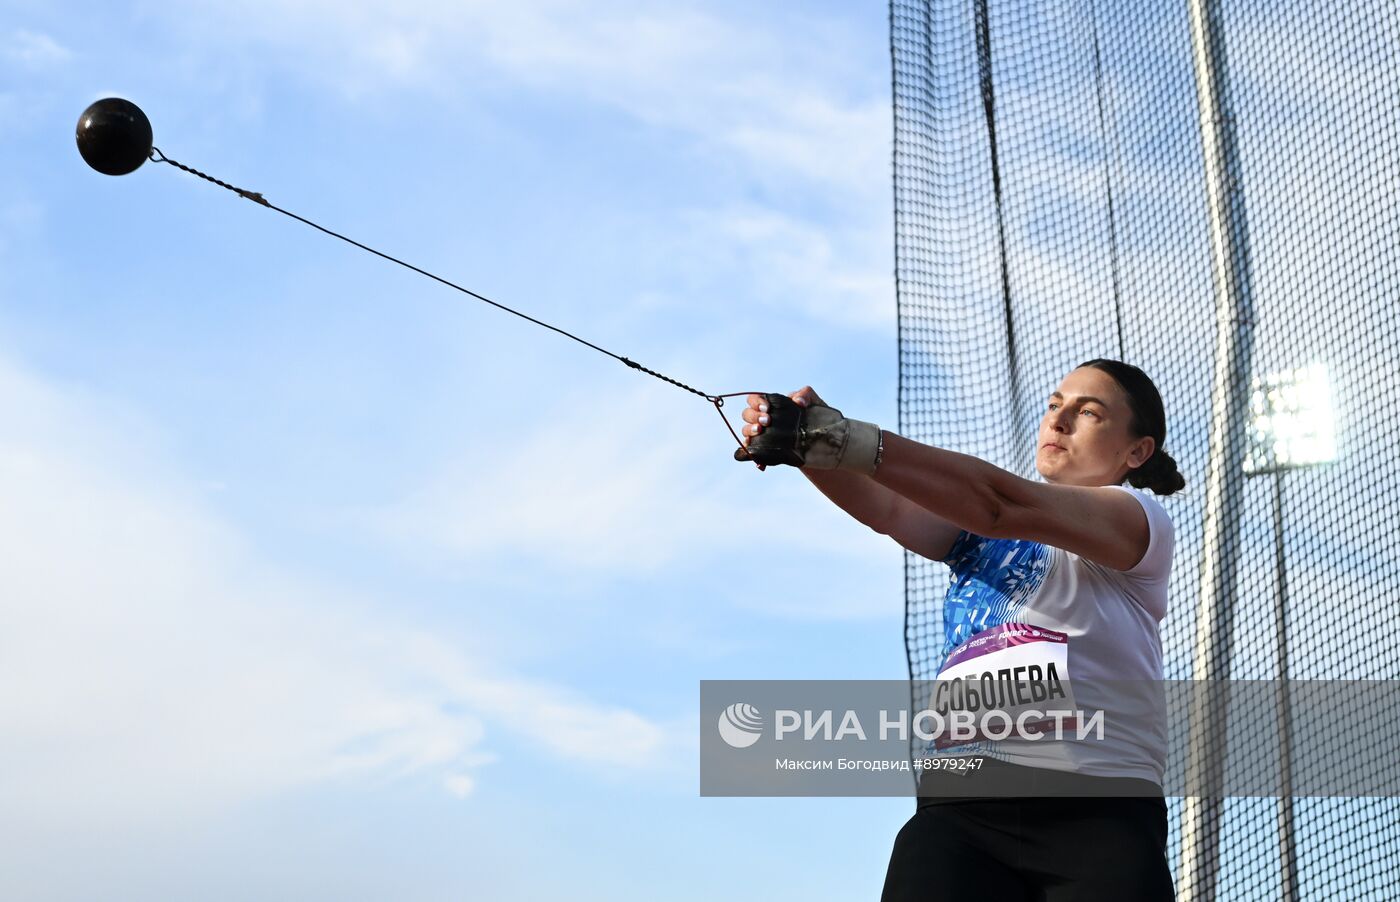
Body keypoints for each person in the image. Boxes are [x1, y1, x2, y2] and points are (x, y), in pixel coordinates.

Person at [739, 359, 1185, 902]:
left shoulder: (1138, 519)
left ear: (1136, 452)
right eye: (1054, 405)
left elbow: (997, 503)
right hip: (961, 809)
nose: (1059, 421)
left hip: (1096, 812)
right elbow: (890, 508)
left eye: (1087, 412)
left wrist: (845, 437)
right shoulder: (977, 529)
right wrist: (805, 444)